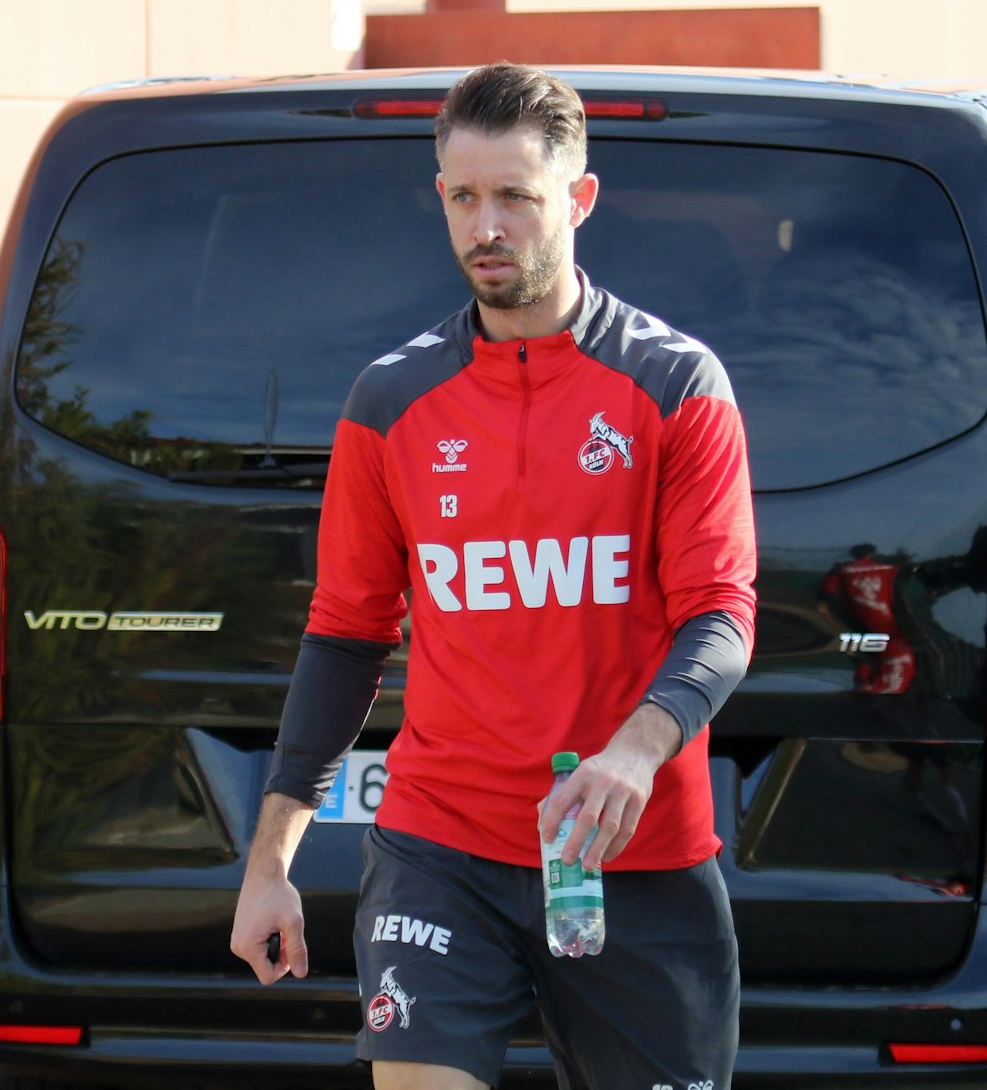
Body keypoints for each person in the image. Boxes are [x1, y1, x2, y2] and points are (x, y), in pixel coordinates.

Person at [229, 61, 757, 1090]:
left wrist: (634, 753)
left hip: (632, 855)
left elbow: (721, 616)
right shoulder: (392, 401)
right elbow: (345, 633)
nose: (488, 226)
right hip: (443, 847)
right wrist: (268, 862)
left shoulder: (673, 385)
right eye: (466, 197)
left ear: (578, 199)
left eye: (516, 194)